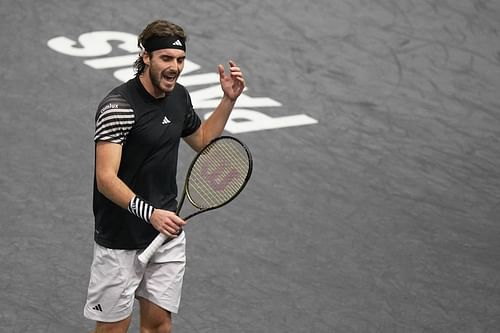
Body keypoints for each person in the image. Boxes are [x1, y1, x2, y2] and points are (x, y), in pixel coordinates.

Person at [83, 19, 245, 333]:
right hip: (121, 239)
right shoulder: (118, 107)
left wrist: (228, 100)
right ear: (146, 57)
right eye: (166, 59)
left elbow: (202, 141)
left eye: (180, 60)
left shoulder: (179, 97)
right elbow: (105, 178)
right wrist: (151, 214)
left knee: (160, 327)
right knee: (114, 329)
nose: (175, 67)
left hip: (166, 235)